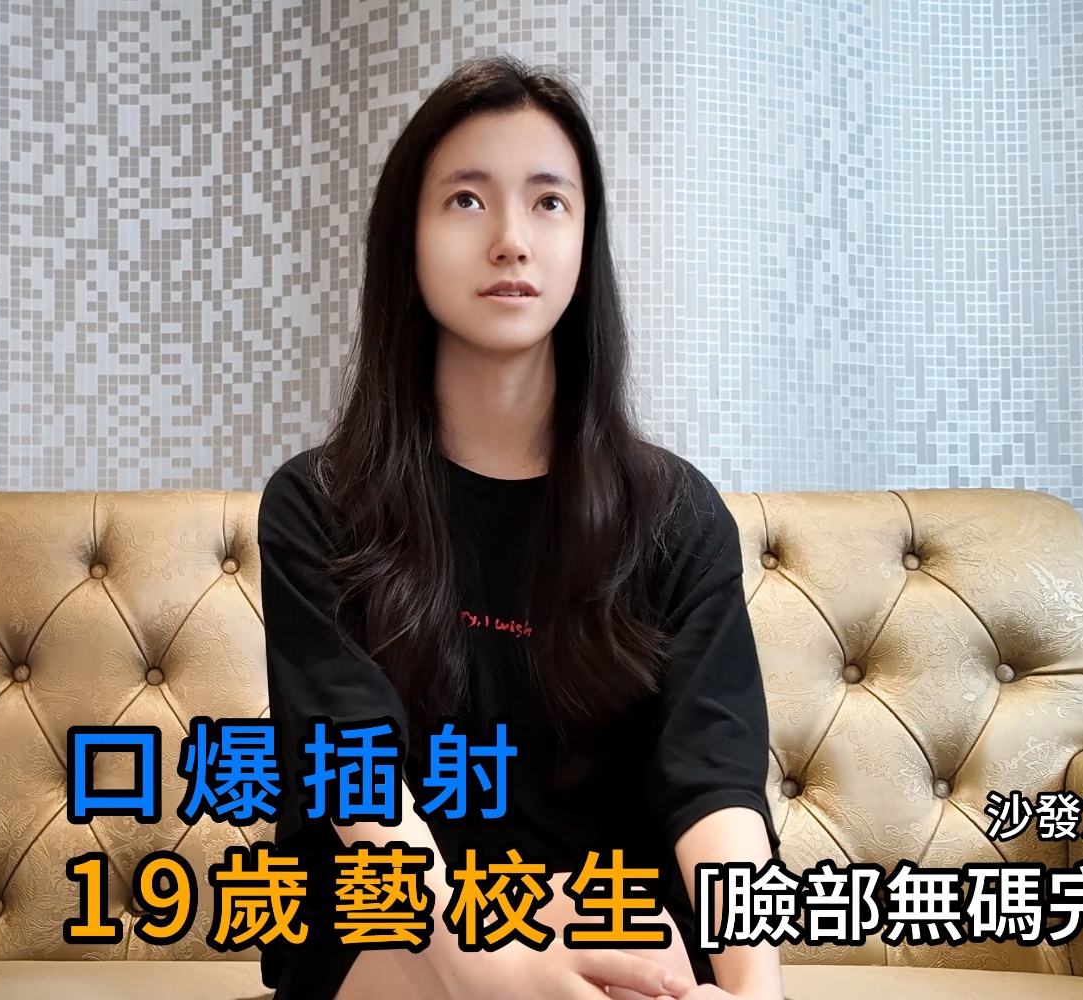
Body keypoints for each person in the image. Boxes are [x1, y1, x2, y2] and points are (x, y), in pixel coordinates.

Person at [256, 54, 783, 1000]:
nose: (511, 240)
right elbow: (352, 776)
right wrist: (498, 969)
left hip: (614, 919)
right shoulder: (319, 503)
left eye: (549, 203)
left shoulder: (675, 515)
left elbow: (713, 780)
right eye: (466, 200)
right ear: (407, 239)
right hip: (393, 927)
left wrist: (756, 989)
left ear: (585, 240)